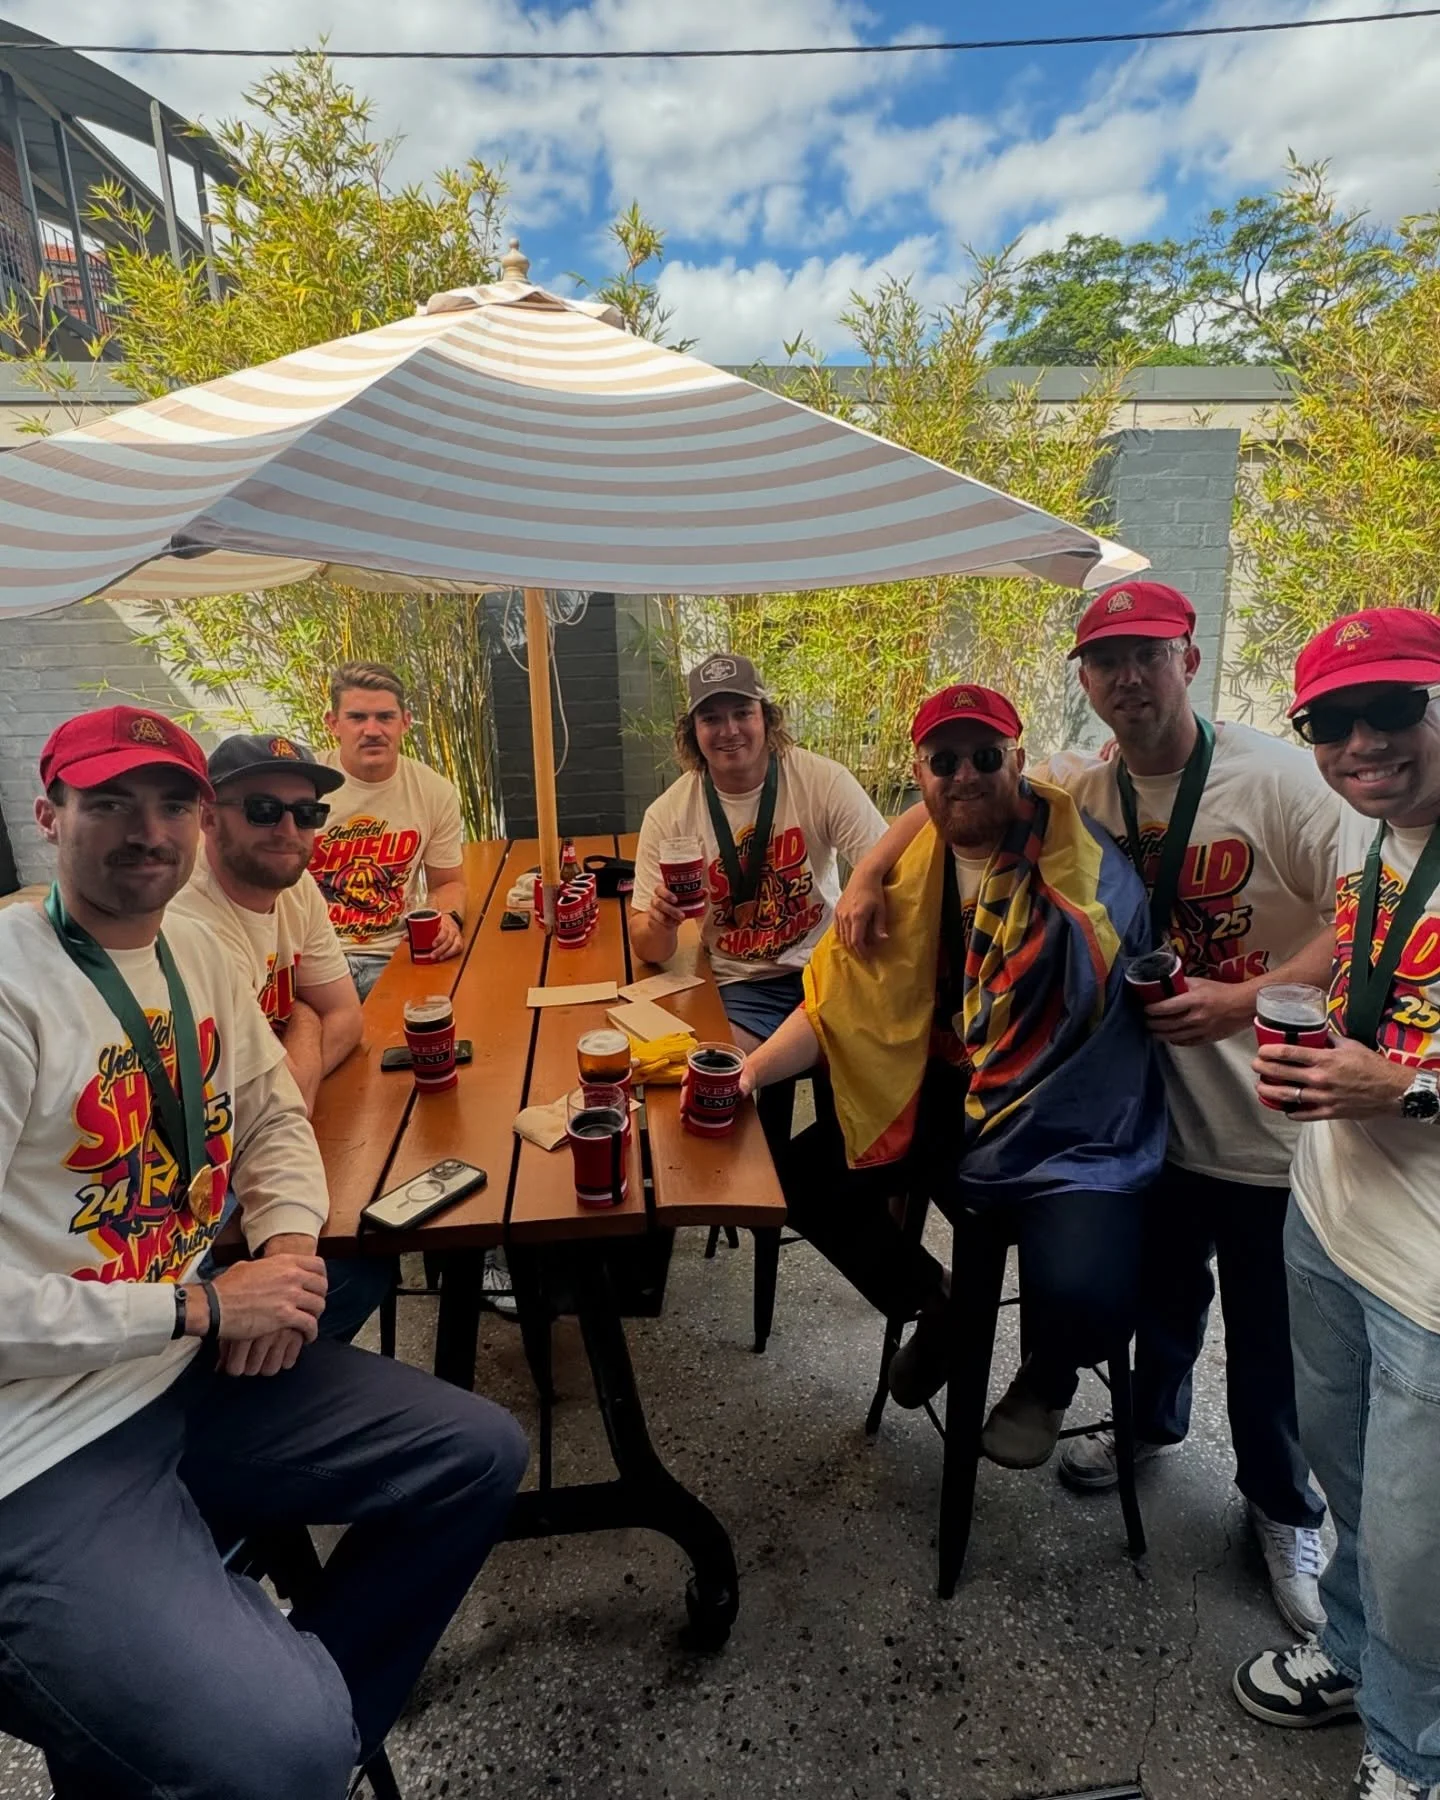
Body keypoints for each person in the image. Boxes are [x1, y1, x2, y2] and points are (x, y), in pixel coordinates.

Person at [0, 705, 527, 1800]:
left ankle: (276, 1736)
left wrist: (286, 1256)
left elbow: (276, 1114)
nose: (147, 831)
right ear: (50, 815)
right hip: (40, 1437)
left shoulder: (193, 948)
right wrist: (198, 1311)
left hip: (190, 1372)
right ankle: (258, 1740)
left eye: (170, 804)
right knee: (267, 1746)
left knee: (474, 1456)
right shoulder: (14, 989)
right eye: (111, 804)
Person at [837, 581, 1339, 1636]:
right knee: (1155, 1300)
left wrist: (1242, 1001)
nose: (1127, 677)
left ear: (1189, 659)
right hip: (1149, 1112)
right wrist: (871, 870)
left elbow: (1364, 910)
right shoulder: (1087, 788)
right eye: (1105, 661)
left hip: (1260, 1116)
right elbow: (948, 791)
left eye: (1147, 655)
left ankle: (1284, 1512)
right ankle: (1148, 1429)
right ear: (1086, 681)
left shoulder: (1279, 779)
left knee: (1264, 1338)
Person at [744, 683, 1167, 1466]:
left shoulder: (1081, 872)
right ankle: (940, 1306)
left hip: (1066, 1106)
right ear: (920, 772)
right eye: (945, 760)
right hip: (947, 1093)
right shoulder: (907, 867)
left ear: (1018, 760)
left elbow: (1098, 1016)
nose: (964, 775)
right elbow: (837, 1004)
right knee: (799, 1179)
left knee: (1089, 1282)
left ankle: (1049, 1378)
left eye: (984, 756)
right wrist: (750, 1071)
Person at [1233, 608, 1440, 1800]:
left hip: (1428, 1276)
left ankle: (1412, 1755)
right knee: (1351, 1487)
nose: (1362, 743)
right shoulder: (1386, 842)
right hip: (1331, 1224)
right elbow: (1360, 958)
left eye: (1393, 709)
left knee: (1421, 1549)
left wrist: (1404, 1087)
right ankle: (1357, 1658)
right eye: (1331, 721)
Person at [170, 731, 394, 1343]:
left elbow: (346, 1016)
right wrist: (306, 1022)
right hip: (200, 1200)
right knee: (360, 1263)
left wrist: (305, 1026)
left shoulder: (293, 888)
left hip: (271, 1139)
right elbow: (275, 1098)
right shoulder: (189, 924)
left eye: (308, 812)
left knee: (371, 1248)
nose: (288, 828)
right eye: (264, 810)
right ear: (209, 819)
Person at [630, 653, 886, 1052]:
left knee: (868, 1076)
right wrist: (660, 925)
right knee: (711, 1073)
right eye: (711, 718)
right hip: (739, 985)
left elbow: (893, 861)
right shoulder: (668, 814)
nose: (729, 730)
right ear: (692, 731)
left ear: (766, 718)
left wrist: (867, 878)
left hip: (827, 969)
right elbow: (649, 950)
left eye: (742, 713)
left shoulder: (822, 781)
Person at [309, 662, 466, 1001]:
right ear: (333, 724)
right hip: (312, 959)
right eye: (356, 718)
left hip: (396, 954)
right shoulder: (303, 785)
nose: (372, 730)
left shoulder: (434, 791)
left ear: (405, 722)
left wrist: (448, 919)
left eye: (384, 717)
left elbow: (448, 882)